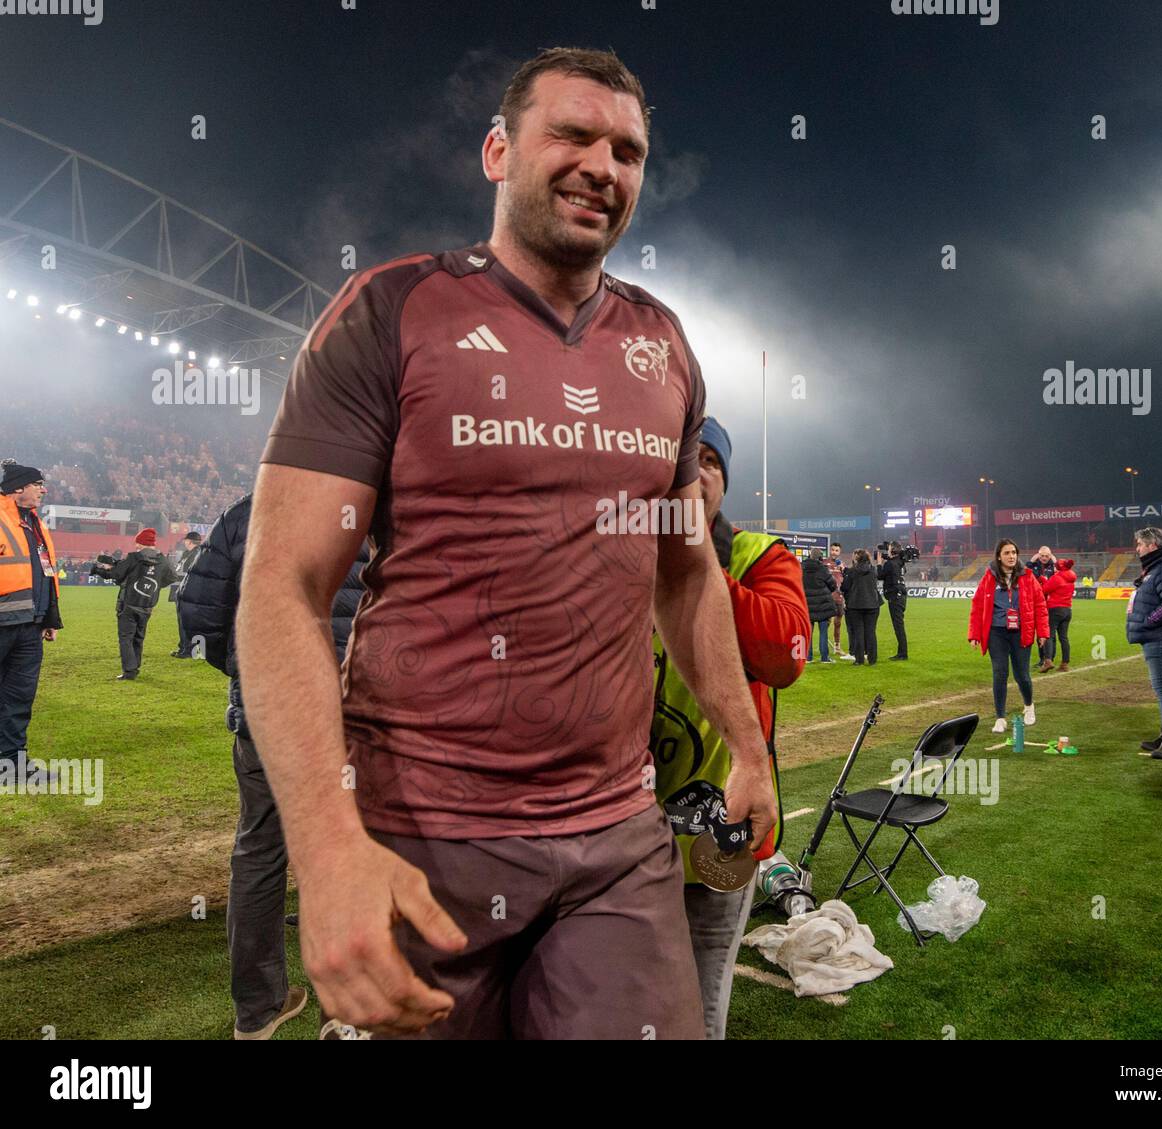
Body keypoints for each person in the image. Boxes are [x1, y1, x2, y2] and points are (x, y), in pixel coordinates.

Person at [235, 48, 778, 1041]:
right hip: (422, 830)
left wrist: (745, 747)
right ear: (498, 150)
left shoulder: (664, 345)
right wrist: (327, 851)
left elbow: (683, 565)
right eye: (571, 135)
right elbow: (282, 589)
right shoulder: (391, 312)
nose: (601, 166)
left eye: (627, 150)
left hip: (616, 834)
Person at [178, 494, 368, 1038]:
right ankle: (347, 1016)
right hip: (354, 710)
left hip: (271, 710)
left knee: (259, 852)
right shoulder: (382, 503)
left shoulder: (248, 509)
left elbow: (198, 612)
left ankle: (257, 1013)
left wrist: (251, 672)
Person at [650, 417, 808, 1039]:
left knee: (702, 1001)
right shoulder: (616, 550)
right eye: (685, 458)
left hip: (722, 825)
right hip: (618, 825)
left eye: (711, 461)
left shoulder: (759, 553)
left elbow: (785, 656)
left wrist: (693, 568)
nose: (696, 472)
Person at [0, 460, 62, 784]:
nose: (43, 490)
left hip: (30, 625)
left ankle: (11, 767)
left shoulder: (34, 523)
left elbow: (42, 572)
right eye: (38, 484)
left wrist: (47, 616)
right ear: (19, 487)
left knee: (18, 700)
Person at [968, 539, 1049, 733]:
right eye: (1007, 553)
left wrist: (1043, 632)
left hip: (1021, 631)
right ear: (999, 556)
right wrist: (974, 634)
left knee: (1022, 674)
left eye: (1014, 552)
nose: (1012, 556)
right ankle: (1000, 718)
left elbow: (1040, 605)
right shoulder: (989, 578)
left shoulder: (1028, 577)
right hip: (996, 632)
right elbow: (978, 606)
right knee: (999, 673)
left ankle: (1029, 706)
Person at [1125, 527, 1162, 760]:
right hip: (1155, 636)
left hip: (1160, 637)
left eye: (1140, 544)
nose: (1137, 548)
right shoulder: (1157, 567)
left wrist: (1150, 622)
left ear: (1152, 545)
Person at [95, 528, 179, 680]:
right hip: (147, 605)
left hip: (129, 603)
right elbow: (173, 577)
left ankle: (129, 671)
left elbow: (116, 575)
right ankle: (135, 667)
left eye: (137, 543)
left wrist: (104, 570)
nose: (136, 546)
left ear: (141, 543)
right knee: (139, 637)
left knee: (126, 638)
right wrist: (156, 586)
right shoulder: (163, 560)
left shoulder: (134, 558)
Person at [840, 547, 881, 665]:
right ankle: (872, 659)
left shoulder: (852, 571)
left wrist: (845, 574)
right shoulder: (873, 570)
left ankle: (859, 660)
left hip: (856, 605)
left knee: (858, 632)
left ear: (856, 558)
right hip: (872, 604)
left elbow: (845, 587)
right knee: (871, 632)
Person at [169, 531, 204, 657]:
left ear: (189, 541)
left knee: (190, 622)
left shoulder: (198, 554)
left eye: (185, 540)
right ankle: (184, 647)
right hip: (182, 591)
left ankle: (191, 650)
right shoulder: (187, 554)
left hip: (190, 593)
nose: (184, 542)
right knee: (183, 621)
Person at [1040, 556, 1077, 672]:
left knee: (1049, 635)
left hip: (1055, 609)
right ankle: (1065, 663)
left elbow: (1044, 590)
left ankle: (1048, 661)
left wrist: (1043, 579)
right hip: (1067, 610)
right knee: (1064, 637)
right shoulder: (1070, 578)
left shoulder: (1057, 578)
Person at [801, 548, 837, 663]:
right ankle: (824, 657)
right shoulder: (822, 569)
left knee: (808, 633)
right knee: (823, 632)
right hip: (823, 605)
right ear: (820, 557)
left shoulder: (801, 568)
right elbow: (832, 584)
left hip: (807, 605)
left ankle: (808, 657)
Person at [877, 541, 909, 660]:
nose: (887, 551)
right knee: (899, 625)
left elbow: (879, 576)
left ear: (893, 551)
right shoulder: (900, 563)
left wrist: (879, 564)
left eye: (889, 549)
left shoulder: (890, 564)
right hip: (901, 595)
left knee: (898, 626)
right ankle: (902, 652)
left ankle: (902, 653)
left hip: (894, 596)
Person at [1028, 546, 1057, 671]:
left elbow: (1060, 574)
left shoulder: (1053, 567)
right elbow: (1025, 571)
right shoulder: (1034, 566)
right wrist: (1032, 560)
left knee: (1050, 634)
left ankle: (1050, 658)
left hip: (1050, 604)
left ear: (1050, 556)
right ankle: (1042, 659)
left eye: (1046, 556)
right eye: (1041, 556)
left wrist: (1054, 562)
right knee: (1039, 633)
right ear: (1038, 555)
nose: (1044, 558)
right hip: (1036, 604)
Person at [827, 541, 847, 658]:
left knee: (838, 623)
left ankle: (837, 647)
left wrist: (844, 570)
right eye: (833, 550)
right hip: (828, 598)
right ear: (830, 550)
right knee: (826, 622)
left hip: (839, 598)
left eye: (836, 550)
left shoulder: (842, 565)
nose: (834, 552)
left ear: (839, 552)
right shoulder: (824, 563)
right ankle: (822, 645)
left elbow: (845, 580)